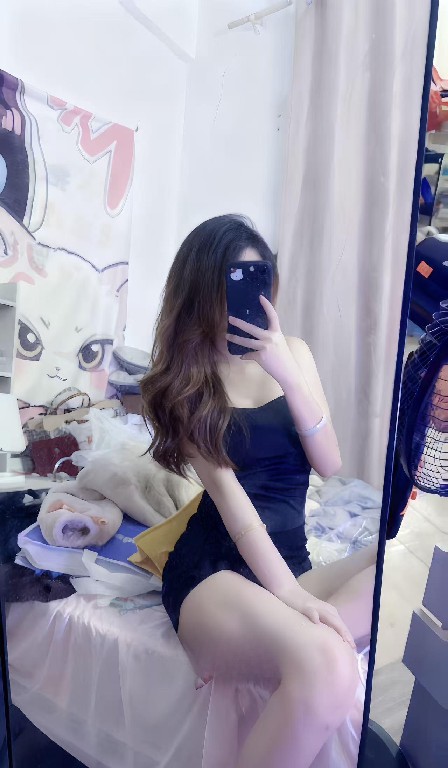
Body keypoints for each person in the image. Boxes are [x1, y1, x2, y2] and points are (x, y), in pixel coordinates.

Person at [141, 214, 377, 768]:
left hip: (289, 561)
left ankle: (288, 648)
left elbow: (330, 463)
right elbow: (234, 506)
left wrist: (287, 374)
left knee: (392, 565)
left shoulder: (293, 353)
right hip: (216, 573)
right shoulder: (187, 381)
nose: (248, 296)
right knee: (328, 666)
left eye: (259, 278)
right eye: (232, 281)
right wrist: (293, 598)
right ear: (203, 290)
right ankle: (293, 650)